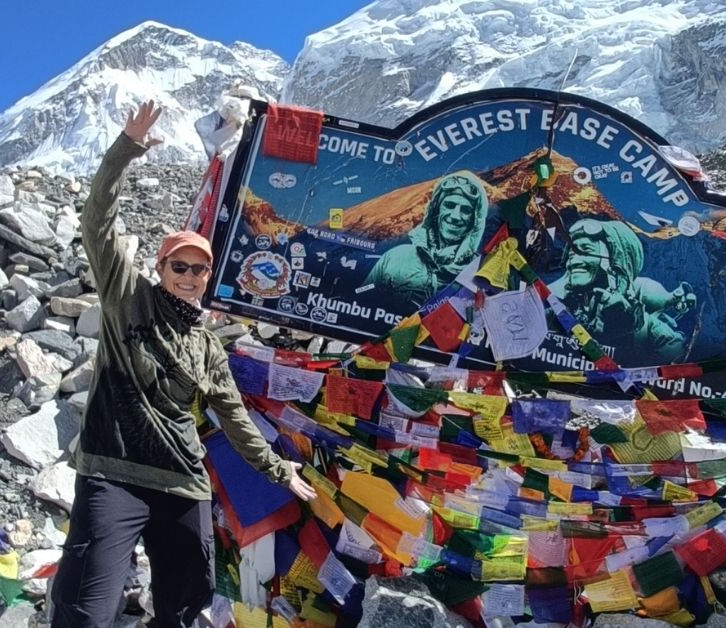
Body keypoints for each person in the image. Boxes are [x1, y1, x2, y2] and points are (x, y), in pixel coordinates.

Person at [50, 101, 317, 628]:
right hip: (114, 475)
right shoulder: (128, 297)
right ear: (162, 267)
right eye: (180, 266)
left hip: (182, 483)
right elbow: (97, 220)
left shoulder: (207, 344)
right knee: (87, 610)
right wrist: (125, 149)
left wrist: (274, 467)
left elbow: (235, 419)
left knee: (185, 604)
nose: (189, 276)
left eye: (199, 269)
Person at [547, 218, 696, 362]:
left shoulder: (648, 328)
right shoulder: (553, 310)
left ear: (616, 261)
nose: (575, 261)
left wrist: (622, 332)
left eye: (586, 251)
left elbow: (675, 360)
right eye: (572, 255)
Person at [361, 171, 489, 308]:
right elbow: (360, 296)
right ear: (436, 210)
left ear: (475, 221)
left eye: (466, 210)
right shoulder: (396, 257)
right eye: (449, 205)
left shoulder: (481, 274)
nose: (455, 216)